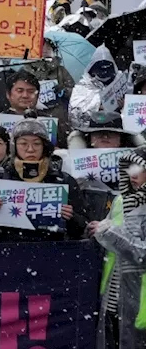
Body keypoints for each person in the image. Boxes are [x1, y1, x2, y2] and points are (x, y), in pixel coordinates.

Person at [0, 120, 85, 242]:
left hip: (54, 253)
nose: (30, 149)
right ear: (14, 147)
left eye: (37, 144)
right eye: (23, 144)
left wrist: (71, 218)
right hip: (9, 252)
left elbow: (83, 227)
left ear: (45, 147)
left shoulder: (63, 180)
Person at [90, 147, 147, 347]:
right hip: (114, 296)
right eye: (130, 168)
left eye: (141, 169)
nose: (133, 175)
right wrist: (99, 230)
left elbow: (143, 254)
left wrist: (109, 232)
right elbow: (109, 235)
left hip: (141, 301)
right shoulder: (120, 200)